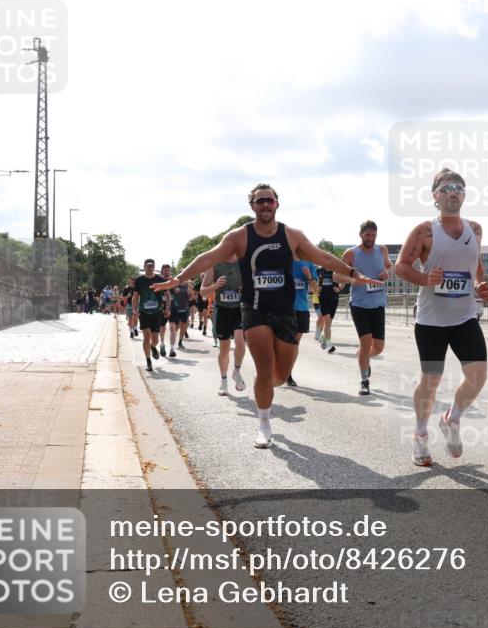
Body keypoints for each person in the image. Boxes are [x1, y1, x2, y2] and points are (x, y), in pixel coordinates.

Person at [157, 183, 382, 449]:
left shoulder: (291, 236)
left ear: (277, 203)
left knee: (279, 374)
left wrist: (354, 274)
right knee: (265, 368)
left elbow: (322, 257)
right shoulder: (239, 237)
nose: (265, 205)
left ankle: (266, 388)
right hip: (254, 310)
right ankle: (264, 424)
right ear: (251, 205)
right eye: (259, 201)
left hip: (285, 312)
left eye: (269, 200)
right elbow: (208, 257)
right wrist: (180, 279)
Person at [396, 168, 488, 467]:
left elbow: (475, 266)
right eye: (447, 188)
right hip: (431, 321)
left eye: (459, 188)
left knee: (478, 376)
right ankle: (420, 434)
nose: (454, 192)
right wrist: (426, 279)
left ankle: (452, 419)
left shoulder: (475, 229)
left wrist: (480, 285)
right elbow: (401, 266)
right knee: (431, 380)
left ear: (464, 195)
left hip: (464, 316)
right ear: (435, 196)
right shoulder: (425, 230)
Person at [342, 220, 393, 395]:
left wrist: (387, 272)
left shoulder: (382, 250)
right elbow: (336, 275)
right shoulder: (351, 253)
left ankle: (362, 356)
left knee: (378, 348)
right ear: (361, 234)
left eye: (373, 235)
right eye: (367, 235)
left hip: (378, 303)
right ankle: (364, 381)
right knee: (366, 343)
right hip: (359, 304)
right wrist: (354, 281)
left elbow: (389, 265)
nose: (370, 238)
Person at [200, 254, 248, 396]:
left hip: (239, 309)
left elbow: (252, 285)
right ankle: (223, 380)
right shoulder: (214, 265)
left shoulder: (243, 262)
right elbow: (203, 292)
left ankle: (237, 372)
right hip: (222, 310)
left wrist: (244, 289)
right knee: (224, 349)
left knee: (241, 343)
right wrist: (215, 286)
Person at [131, 259, 171, 372]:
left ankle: (153, 347)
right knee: (146, 336)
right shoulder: (139, 280)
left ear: (154, 267)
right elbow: (135, 296)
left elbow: (167, 294)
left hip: (157, 313)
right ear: (144, 267)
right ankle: (148, 361)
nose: (150, 268)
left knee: (155, 339)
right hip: (144, 312)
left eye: (152, 266)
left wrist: (168, 308)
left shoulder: (160, 279)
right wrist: (134, 309)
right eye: (148, 266)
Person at [287, 256, 317, 387]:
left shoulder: (308, 262)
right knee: (282, 342)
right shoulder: (283, 258)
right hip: (283, 308)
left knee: (294, 343)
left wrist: (309, 277)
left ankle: (288, 373)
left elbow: (314, 288)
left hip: (301, 308)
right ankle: (278, 368)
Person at [316, 266, 341, 353]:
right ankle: (329, 345)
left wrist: (340, 288)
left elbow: (343, 281)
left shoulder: (336, 270)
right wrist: (317, 287)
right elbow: (312, 284)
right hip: (323, 299)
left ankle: (324, 337)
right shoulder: (319, 271)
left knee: (329, 324)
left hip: (334, 299)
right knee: (327, 322)